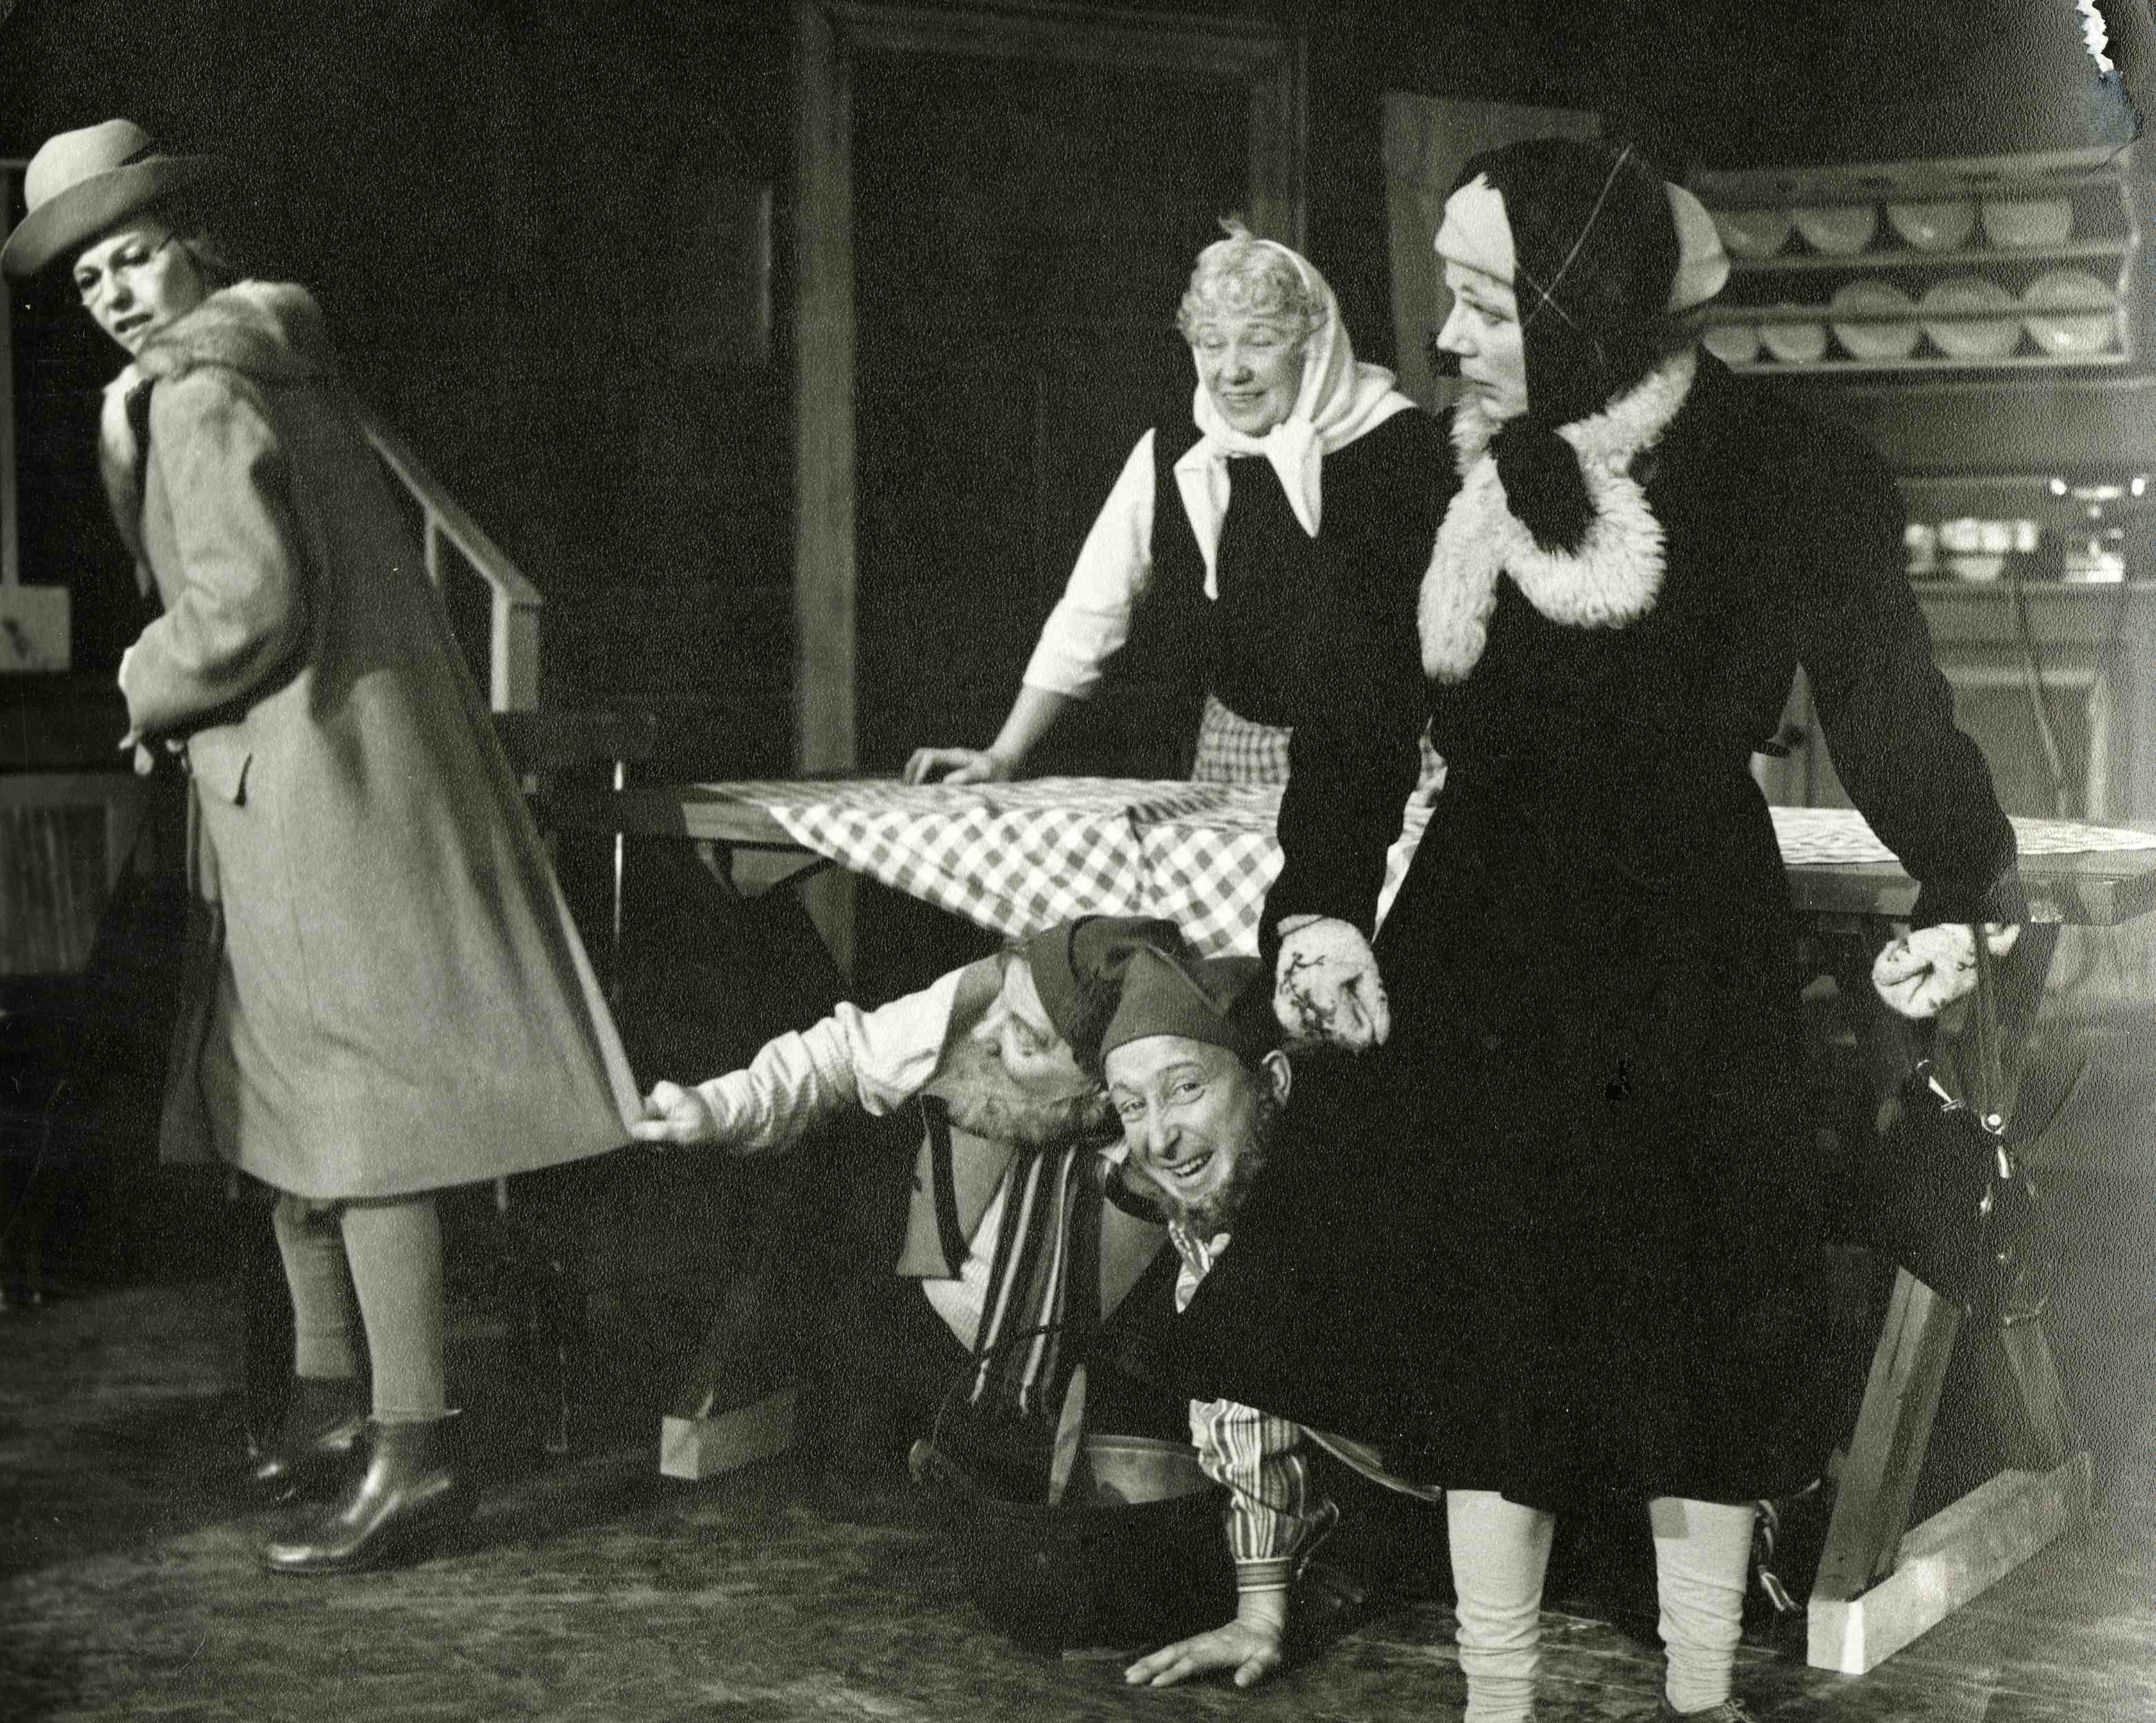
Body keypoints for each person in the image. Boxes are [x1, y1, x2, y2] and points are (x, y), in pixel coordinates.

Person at [1172, 138, 2027, 1723]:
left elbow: (1894, 720)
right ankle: (1497, 1700)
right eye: (1450, 298)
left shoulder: (1785, 470)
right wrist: (1323, 914)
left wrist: (1967, 886)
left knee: (1696, 1332)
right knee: (1496, 1333)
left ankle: (1697, 1694)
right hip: (1482, 936)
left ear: (1583, 311)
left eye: (1486, 305)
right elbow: (1348, 742)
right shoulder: (1406, 483)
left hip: (1690, 941)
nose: (1447, 338)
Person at [1, 120, 641, 1576]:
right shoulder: (280, 360)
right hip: (326, 774)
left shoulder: (199, 389)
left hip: (309, 790)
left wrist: (137, 684)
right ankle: (333, 1403)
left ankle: (414, 1445)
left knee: (357, 1115)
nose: (113, 293)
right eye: (89, 277)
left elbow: (246, 608)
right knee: (292, 1100)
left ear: (191, 247)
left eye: (132, 256)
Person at [633, 915, 1190, 1488]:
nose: (995, 1032)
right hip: (933, 1347)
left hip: (1089, 1385)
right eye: (1005, 1005)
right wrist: (719, 1107)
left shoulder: (1170, 1097)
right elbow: (844, 1054)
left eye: (1030, 1036)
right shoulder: (997, 996)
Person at [903, 221, 1453, 788]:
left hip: (1392, 760)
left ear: (1313, 345)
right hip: (1237, 756)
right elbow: (1091, 612)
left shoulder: (1405, 445)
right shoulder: (1173, 453)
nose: (1231, 370)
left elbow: (1471, 625)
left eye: (1260, 341)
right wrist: (1003, 754)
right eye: (1212, 343)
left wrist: (1461, 762)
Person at [1090, 944, 1434, 1692]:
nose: (1158, 1137)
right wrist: (1260, 1613)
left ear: (1272, 1081)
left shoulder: (1350, 1190)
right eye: (1132, 1105)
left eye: (1185, 1088)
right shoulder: (1214, 1204)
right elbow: (1246, 1405)